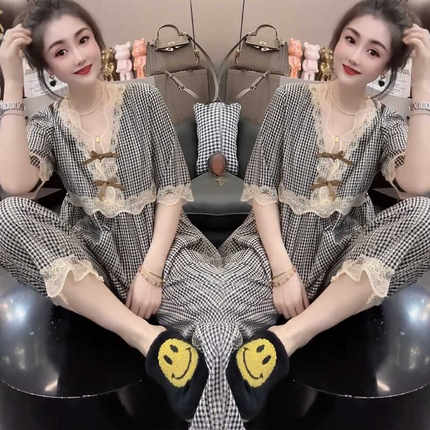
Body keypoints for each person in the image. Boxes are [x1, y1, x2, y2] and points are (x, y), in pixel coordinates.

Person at [0, 0, 223, 423]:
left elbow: (172, 190)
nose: (78, 56)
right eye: (61, 51)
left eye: (83, 40)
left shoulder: (143, 98)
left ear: (97, 40)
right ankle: (142, 336)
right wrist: (12, 84)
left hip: (163, 250)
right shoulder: (49, 123)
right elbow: (16, 183)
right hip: (92, 263)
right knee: (9, 213)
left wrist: (151, 272)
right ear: (48, 66)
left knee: (217, 334)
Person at [221, 0, 430, 422]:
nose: (355, 56)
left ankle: (292, 336)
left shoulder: (384, 123)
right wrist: (283, 272)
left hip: (340, 262)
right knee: (218, 336)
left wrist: (423, 87)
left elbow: (418, 183)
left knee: (423, 213)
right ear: (336, 40)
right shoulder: (291, 98)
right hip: (270, 249)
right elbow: (261, 189)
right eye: (351, 40)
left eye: (373, 51)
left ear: (386, 67)